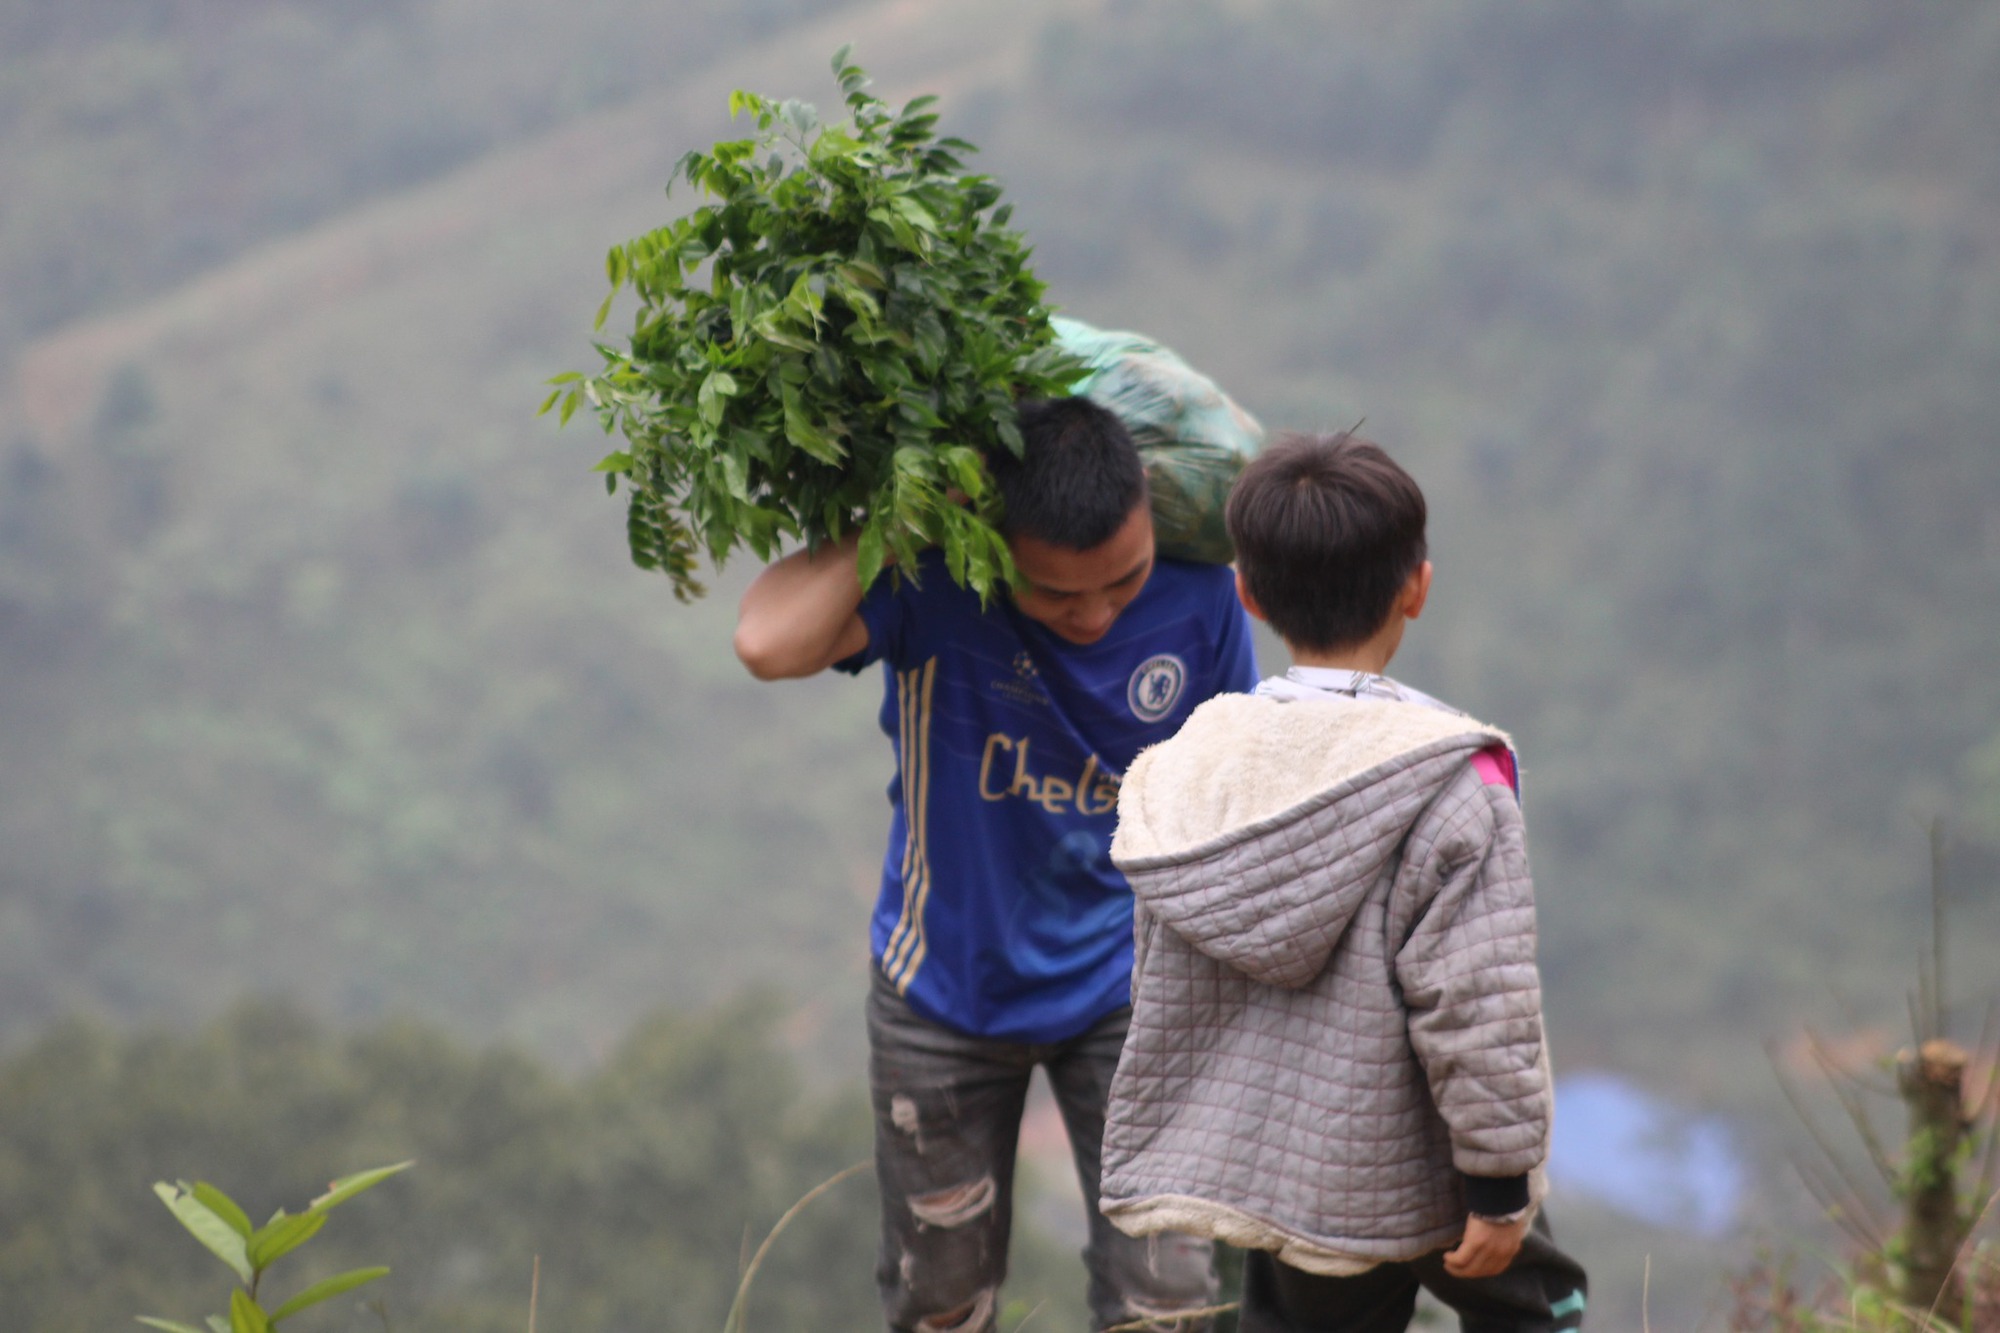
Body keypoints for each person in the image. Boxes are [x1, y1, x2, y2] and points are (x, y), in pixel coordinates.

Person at [733, 396, 1259, 1333]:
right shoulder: (940, 585)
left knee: (1168, 1306)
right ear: (987, 543)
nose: (1094, 613)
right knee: (942, 1305)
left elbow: (1234, 795)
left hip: (1132, 991)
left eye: (1123, 580)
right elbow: (766, 643)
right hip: (942, 995)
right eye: (1056, 593)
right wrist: (898, 519)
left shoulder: (1199, 594)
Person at [1097, 431, 1589, 1333]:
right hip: (1431, 1161)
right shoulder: (1449, 781)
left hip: (1287, 1173)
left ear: (1246, 593)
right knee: (1542, 1310)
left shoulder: (1187, 772)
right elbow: (1480, 1002)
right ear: (1418, 586)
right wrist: (1498, 1181)